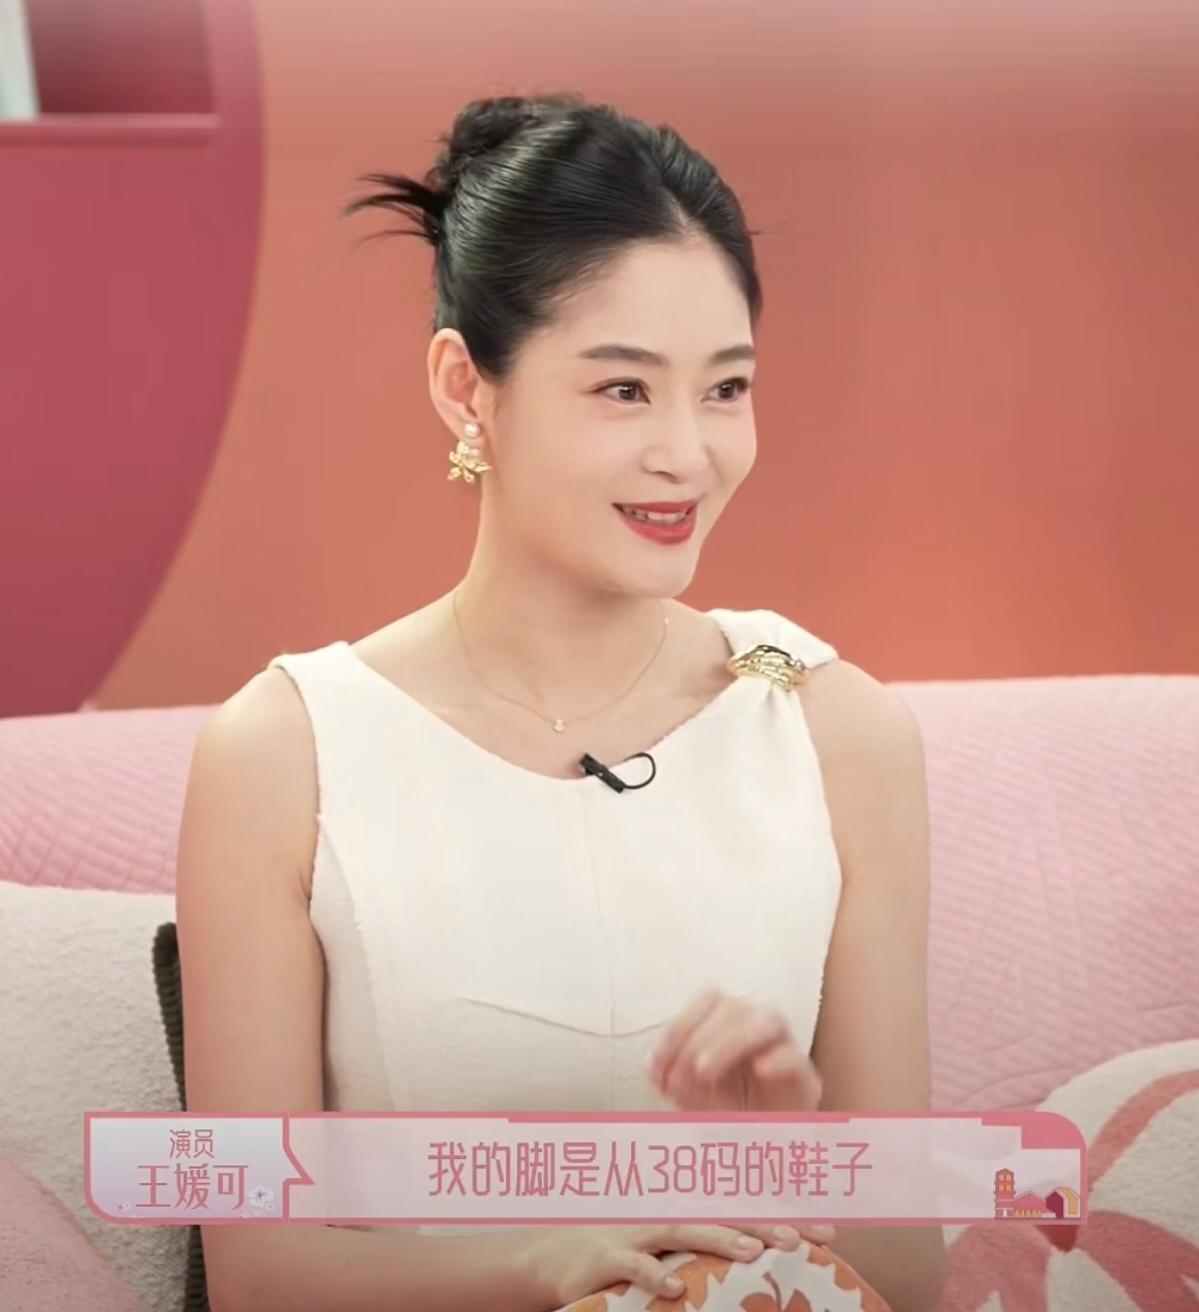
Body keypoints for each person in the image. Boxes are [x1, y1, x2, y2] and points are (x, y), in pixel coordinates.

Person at [175, 92, 947, 1312]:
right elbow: (259, 1274)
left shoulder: (834, 733)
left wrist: (779, 1162)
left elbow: (903, 1263)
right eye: (623, 390)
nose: (687, 452)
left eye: (726, 388)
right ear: (464, 387)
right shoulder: (285, 753)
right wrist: (546, 1258)